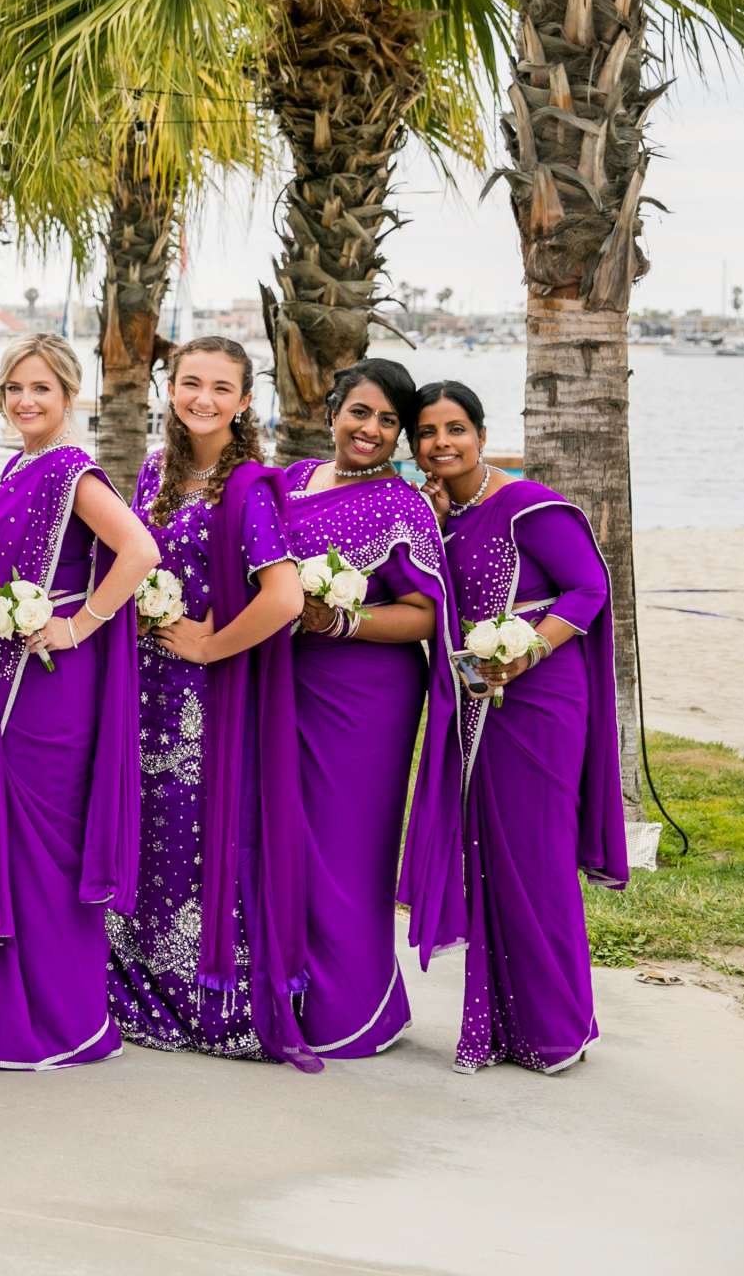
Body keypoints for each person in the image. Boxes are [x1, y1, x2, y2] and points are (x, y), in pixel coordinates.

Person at [0, 336, 156, 1073]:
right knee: (15, 844)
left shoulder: (71, 469)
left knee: (49, 851)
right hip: (13, 676)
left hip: (51, 684)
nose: (26, 401)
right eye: (14, 389)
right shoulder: (19, 466)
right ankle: (9, 1019)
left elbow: (139, 550)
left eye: (41, 388)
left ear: (69, 396)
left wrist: (76, 624)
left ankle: (63, 1022)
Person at [109, 336, 317, 1070]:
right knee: (150, 834)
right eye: (190, 382)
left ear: (245, 401)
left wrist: (207, 646)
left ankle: (208, 1003)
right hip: (142, 691)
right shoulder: (157, 473)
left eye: (220, 388)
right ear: (170, 388)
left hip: (206, 697)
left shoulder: (249, 488)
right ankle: (139, 993)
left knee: (200, 842)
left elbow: (285, 597)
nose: (203, 398)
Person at [410, 382, 625, 1074]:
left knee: (537, 856)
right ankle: (508, 1027)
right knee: (491, 859)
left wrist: (526, 649)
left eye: (455, 429)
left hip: (540, 697)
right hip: (479, 701)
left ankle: (558, 1028)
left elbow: (589, 588)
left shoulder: (526, 508)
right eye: (427, 432)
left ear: (479, 431)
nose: (442, 442)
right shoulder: (442, 515)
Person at [276, 358, 458, 1060]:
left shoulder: (402, 503)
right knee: (285, 834)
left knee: (347, 846)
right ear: (333, 410)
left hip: (365, 695)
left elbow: (422, 614)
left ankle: (354, 1009)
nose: (371, 430)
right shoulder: (290, 483)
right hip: (284, 679)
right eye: (361, 412)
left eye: (389, 421)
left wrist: (340, 622)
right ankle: (286, 987)